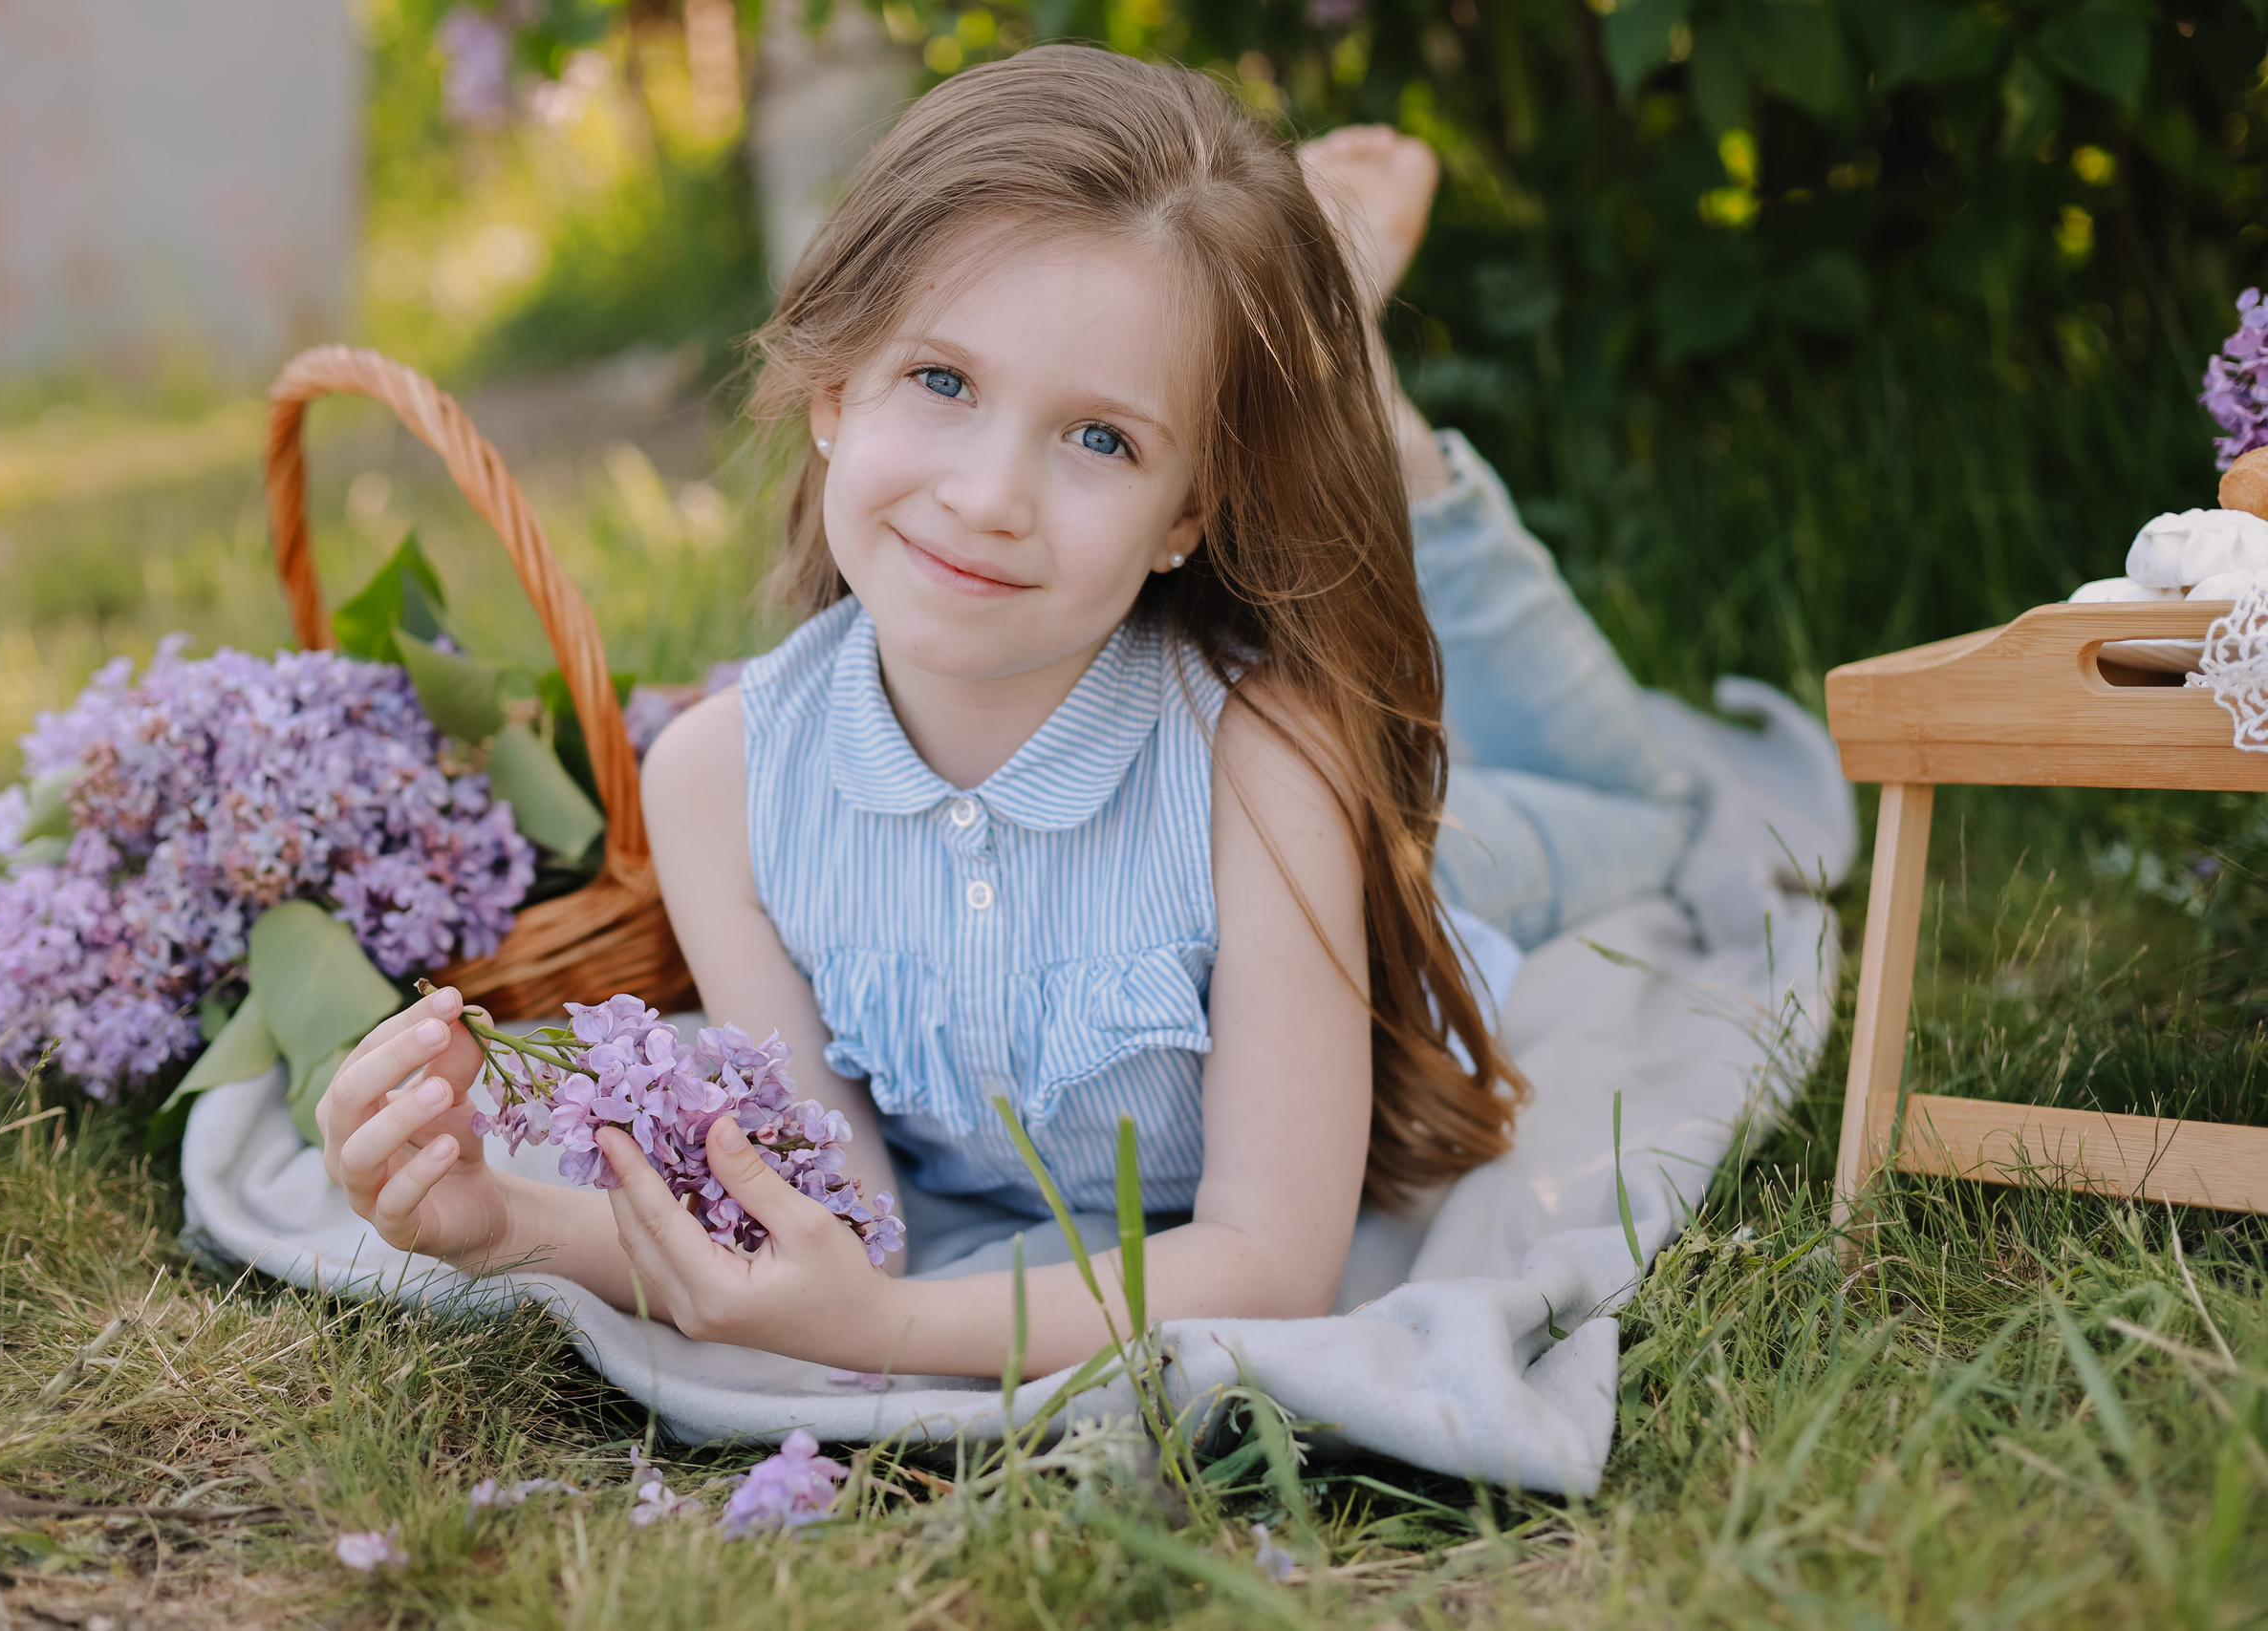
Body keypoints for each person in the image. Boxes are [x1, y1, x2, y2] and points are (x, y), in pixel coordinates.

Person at [317, 47, 1696, 1380]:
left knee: (1663, 812)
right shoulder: (718, 782)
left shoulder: (1270, 769)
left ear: (1189, 515)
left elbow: (1273, 1263)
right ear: (834, 388)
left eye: (1101, 438)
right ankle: (1309, 345)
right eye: (943, 381)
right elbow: (835, 1217)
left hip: (1427, 862)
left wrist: (886, 1335)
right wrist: (513, 1224)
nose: (989, 495)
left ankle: (1364, 396)